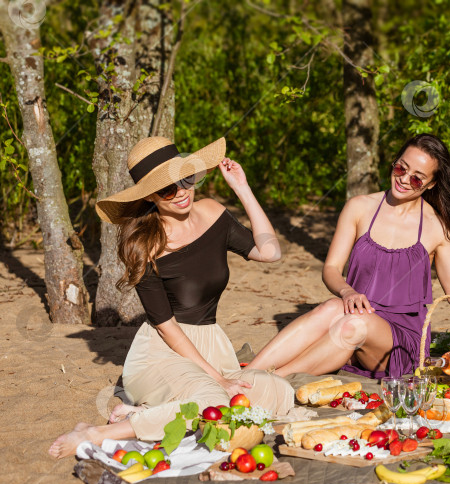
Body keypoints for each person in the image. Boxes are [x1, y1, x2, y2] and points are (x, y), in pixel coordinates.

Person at [49, 137, 294, 459]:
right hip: (163, 353)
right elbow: (166, 326)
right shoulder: (144, 246)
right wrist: (219, 379)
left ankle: (141, 413)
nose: (181, 192)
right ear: (149, 195)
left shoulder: (212, 212)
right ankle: (96, 433)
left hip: (213, 347)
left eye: (186, 179)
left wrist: (242, 188)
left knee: (278, 391)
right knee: (213, 401)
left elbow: (270, 252)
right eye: (167, 189)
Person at [247, 134, 450, 378]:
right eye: (401, 168)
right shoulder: (359, 207)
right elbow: (331, 269)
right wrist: (347, 292)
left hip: (399, 343)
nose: (404, 179)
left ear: (431, 184)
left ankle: (271, 380)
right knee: (331, 308)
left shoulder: (437, 228)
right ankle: (246, 375)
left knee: (353, 325)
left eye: (417, 179)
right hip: (354, 317)